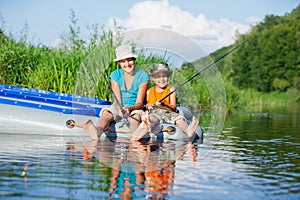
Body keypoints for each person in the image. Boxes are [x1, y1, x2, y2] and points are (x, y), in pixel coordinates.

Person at [83, 44, 150, 140]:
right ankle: (97, 131)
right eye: (123, 61)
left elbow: (139, 102)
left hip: (134, 108)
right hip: (118, 106)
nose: (127, 64)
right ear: (119, 62)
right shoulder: (115, 75)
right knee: (106, 114)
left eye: (130, 60)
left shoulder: (143, 76)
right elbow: (117, 99)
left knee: (135, 118)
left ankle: (135, 136)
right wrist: (120, 110)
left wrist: (129, 109)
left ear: (134, 60)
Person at [131, 63, 199, 140]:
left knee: (178, 119)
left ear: (168, 76)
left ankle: (188, 130)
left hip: (168, 112)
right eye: (158, 77)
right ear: (153, 78)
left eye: (164, 76)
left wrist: (163, 105)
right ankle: (146, 125)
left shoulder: (171, 89)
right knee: (152, 118)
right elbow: (147, 105)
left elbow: (173, 108)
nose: (162, 79)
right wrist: (150, 105)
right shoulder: (149, 91)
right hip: (155, 112)